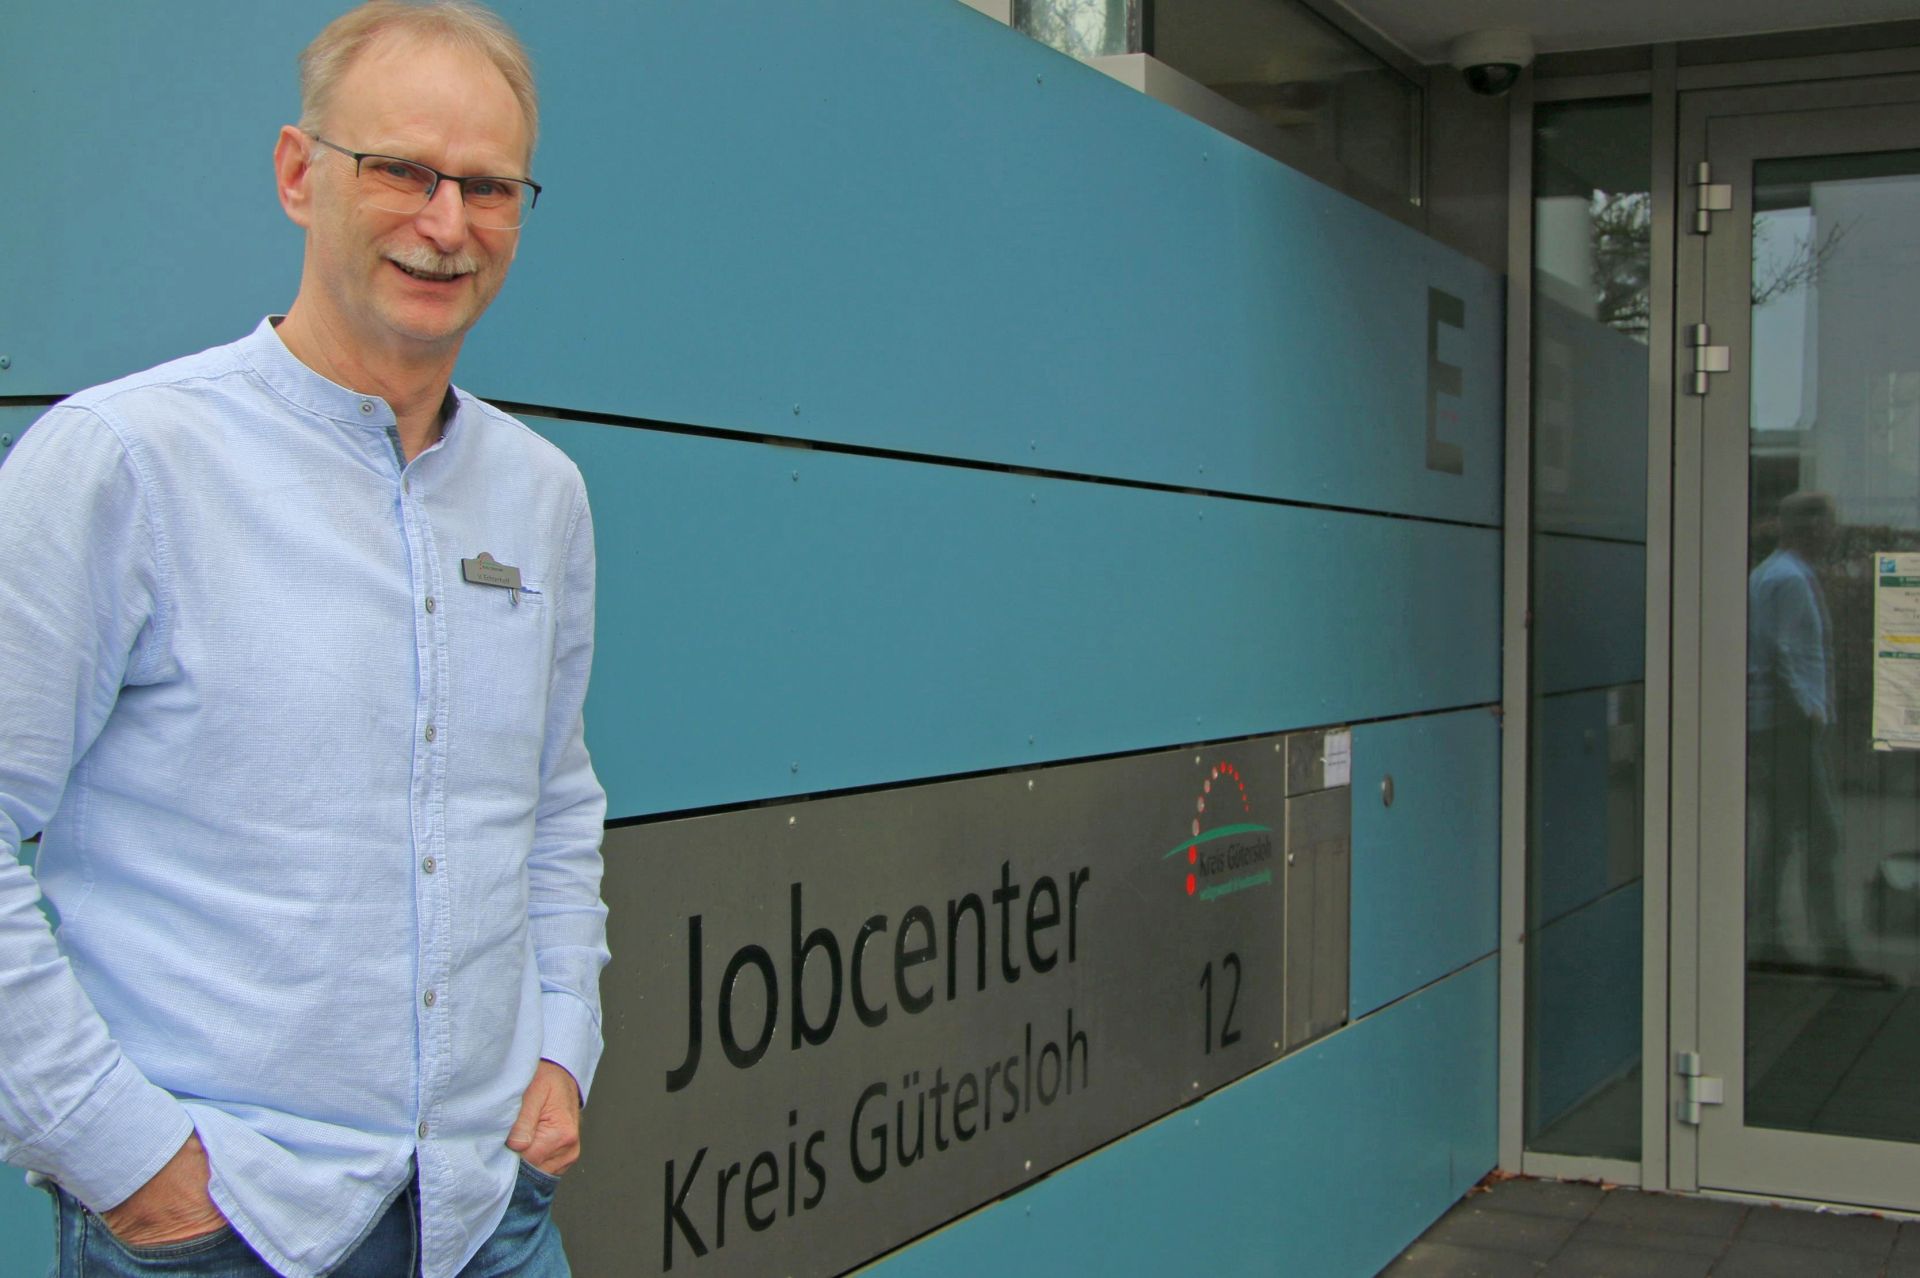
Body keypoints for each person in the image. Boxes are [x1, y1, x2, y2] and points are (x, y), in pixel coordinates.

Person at [0, 3, 609, 1275]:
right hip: (224, 1229)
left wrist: (566, 1039)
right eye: (401, 170)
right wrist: (125, 1159)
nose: (447, 224)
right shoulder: (123, 462)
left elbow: (550, 800)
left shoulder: (540, 492)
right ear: (298, 173)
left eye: (488, 187)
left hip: (486, 1217)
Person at [1747, 490, 1855, 973]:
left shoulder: (1777, 573)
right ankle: (1830, 946)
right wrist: (1811, 713)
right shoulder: (1787, 579)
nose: (1833, 533)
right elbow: (1785, 655)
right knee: (1821, 832)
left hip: (1782, 722)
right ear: (1810, 528)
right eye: (1829, 524)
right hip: (1789, 724)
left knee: (1781, 832)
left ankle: (1766, 938)